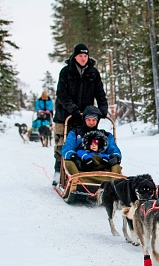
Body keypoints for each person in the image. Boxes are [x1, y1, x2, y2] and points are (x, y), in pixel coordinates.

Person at [52, 43, 109, 185]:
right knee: (62, 143)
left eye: (85, 56)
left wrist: (102, 110)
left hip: (86, 115)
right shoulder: (66, 72)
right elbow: (61, 94)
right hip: (65, 114)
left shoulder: (93, 73)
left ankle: (87, 172)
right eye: (80, 56)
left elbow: (100, 94)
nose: (83, 59)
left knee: (86, 142)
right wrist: (73, 109)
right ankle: (58, 171)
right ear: (75, 56)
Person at [61, 105, 121, 176]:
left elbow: (114, 149)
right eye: (89, 120)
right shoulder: (75, 133)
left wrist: (115, 157)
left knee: (116, 165)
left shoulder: (105, 135)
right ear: (84, 120)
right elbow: (68, 147)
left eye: (94, 120)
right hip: (82, 163)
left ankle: (113, 181)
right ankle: (77, 181)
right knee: (69, 162)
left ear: (97, 121)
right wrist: (74, 157)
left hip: (102, 162)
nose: (91, 123)